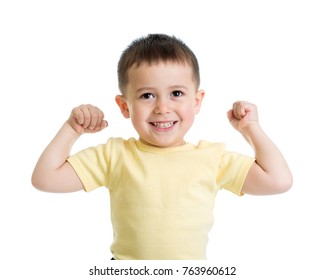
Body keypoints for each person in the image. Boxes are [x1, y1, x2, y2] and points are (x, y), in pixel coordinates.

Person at [31, 34, 292, 260]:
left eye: (176, 93)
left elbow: (278, 181)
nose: (162, 108)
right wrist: (71, 129)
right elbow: (45, 179)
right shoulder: (114, 155)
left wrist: (251, 128)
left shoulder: (212, 158)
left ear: (197, 101)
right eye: (147, 95)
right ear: (124, 106)